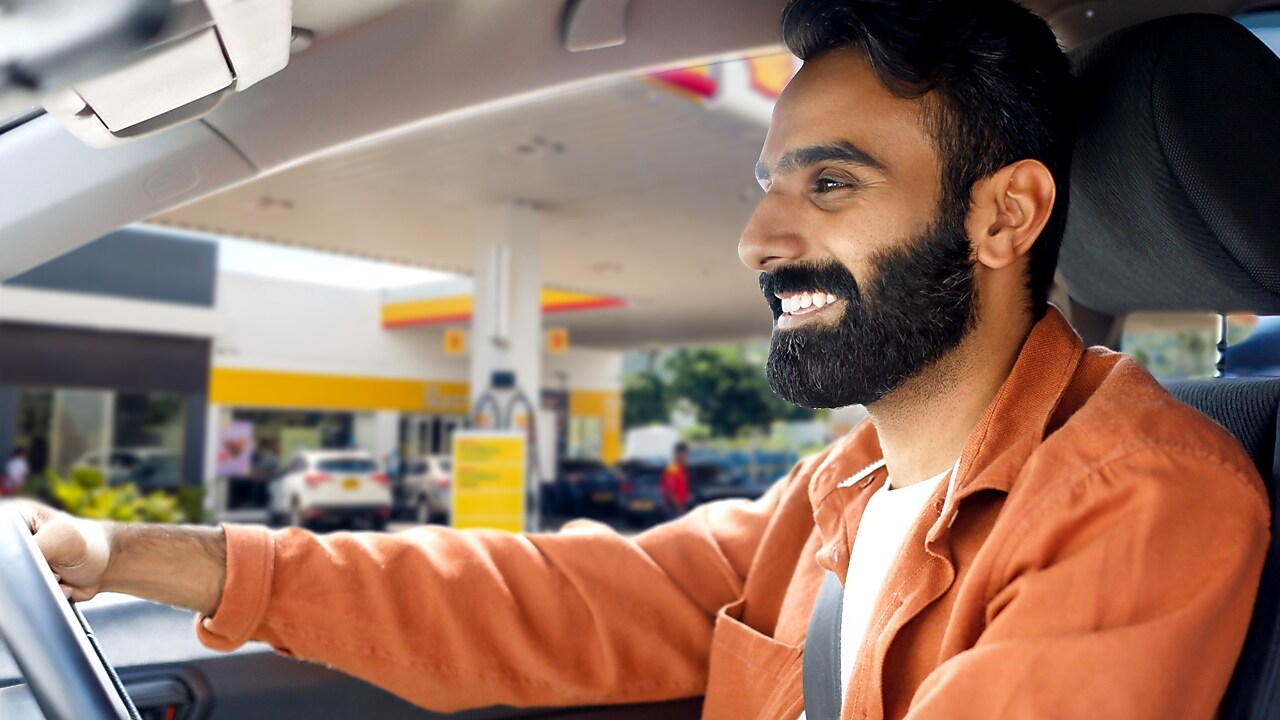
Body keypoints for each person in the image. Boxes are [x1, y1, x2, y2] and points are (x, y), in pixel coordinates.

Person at [15, 0, 1270, 717]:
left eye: (829, 184)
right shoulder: (842, 493)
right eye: (766, 187)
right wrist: (122, 554)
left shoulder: (1140, 500)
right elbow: (546, 600)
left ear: (1003, 217)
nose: (755, 240)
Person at [661, 443, 691, 519]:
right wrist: (680, 509)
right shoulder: (672, 468)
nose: (685, 457)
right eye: (683, 455)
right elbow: (670, 491)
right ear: (677, 454)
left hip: (682, 506)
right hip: (674, 508)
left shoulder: (683, 468)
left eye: (686, 455)